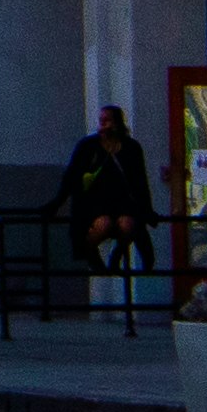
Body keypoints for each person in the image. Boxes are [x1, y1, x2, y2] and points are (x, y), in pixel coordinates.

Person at [57, 103, 160, 298]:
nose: (103, 125)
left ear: (117, 123)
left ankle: (118, 254)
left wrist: (146, 208)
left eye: (107, 121)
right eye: (101, 121)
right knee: (103, 224)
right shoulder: (89, 146)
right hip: (96, 202)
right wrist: (57, 202)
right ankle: (91, 254)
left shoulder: (130, 147)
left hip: (122, 201)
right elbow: (71, 176)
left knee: (128, 224)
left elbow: (139, 181)